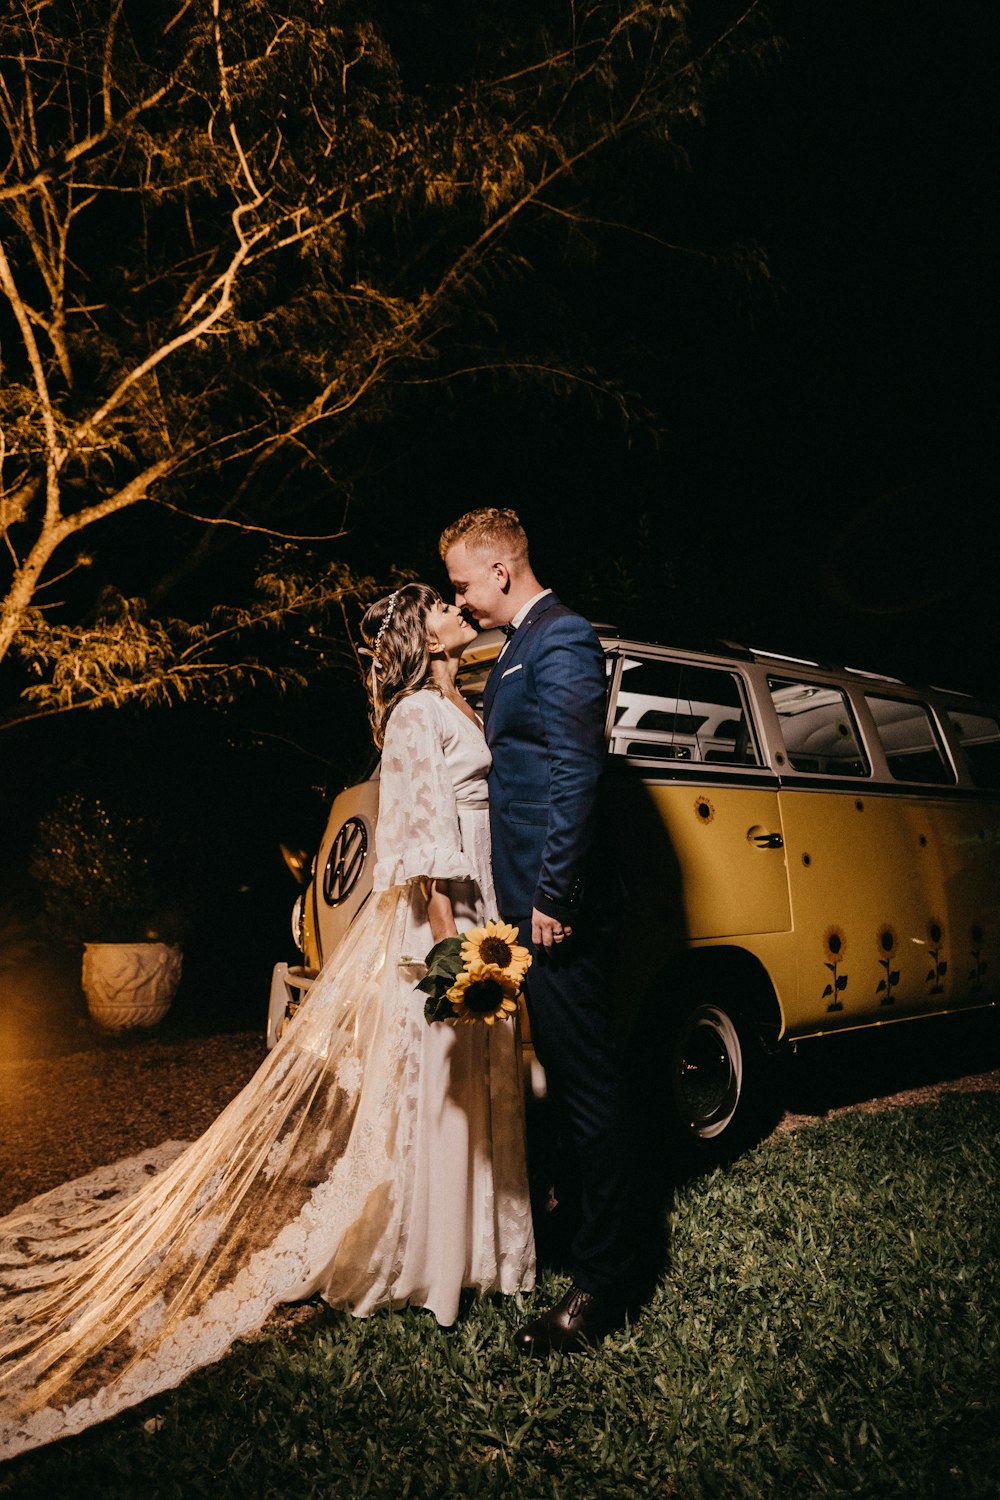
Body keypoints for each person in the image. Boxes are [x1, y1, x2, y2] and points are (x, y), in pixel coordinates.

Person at [0, 583, 534, 1461]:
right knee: (435, 1086)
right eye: (438, 602)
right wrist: (456, 955)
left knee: (465, 1087)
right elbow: (429, 855)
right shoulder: (411, 718)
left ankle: (473, 1246)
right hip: (446, 925)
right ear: (418, 632)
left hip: (476, 909)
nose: (452, 608)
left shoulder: (452, 698)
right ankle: (424, 1260)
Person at [440, 508, 634, 1354]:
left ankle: (604, 1286)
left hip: (555, 911)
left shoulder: (562, 638)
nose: (461, 598)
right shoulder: (517, 644)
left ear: (503, 572)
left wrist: (554, 895)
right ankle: (575, 1239)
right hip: (520, 905)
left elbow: (575, 771)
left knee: (589, 1091)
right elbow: (512, 756)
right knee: (559, 1080)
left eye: (463, 584)